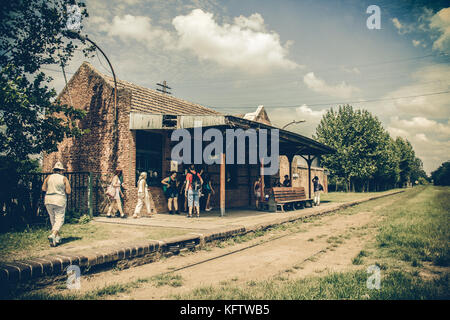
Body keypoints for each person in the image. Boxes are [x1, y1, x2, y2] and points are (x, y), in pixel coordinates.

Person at [42, 161, 71, 247]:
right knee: (60, 219)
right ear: (61, 170)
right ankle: (53, 235)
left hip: (48, 199)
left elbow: (43, 188)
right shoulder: (64, 178)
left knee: (53, 219)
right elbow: (68, 191)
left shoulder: (48, 177)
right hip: (59, 199)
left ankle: (57, 238)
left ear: (54, 170)